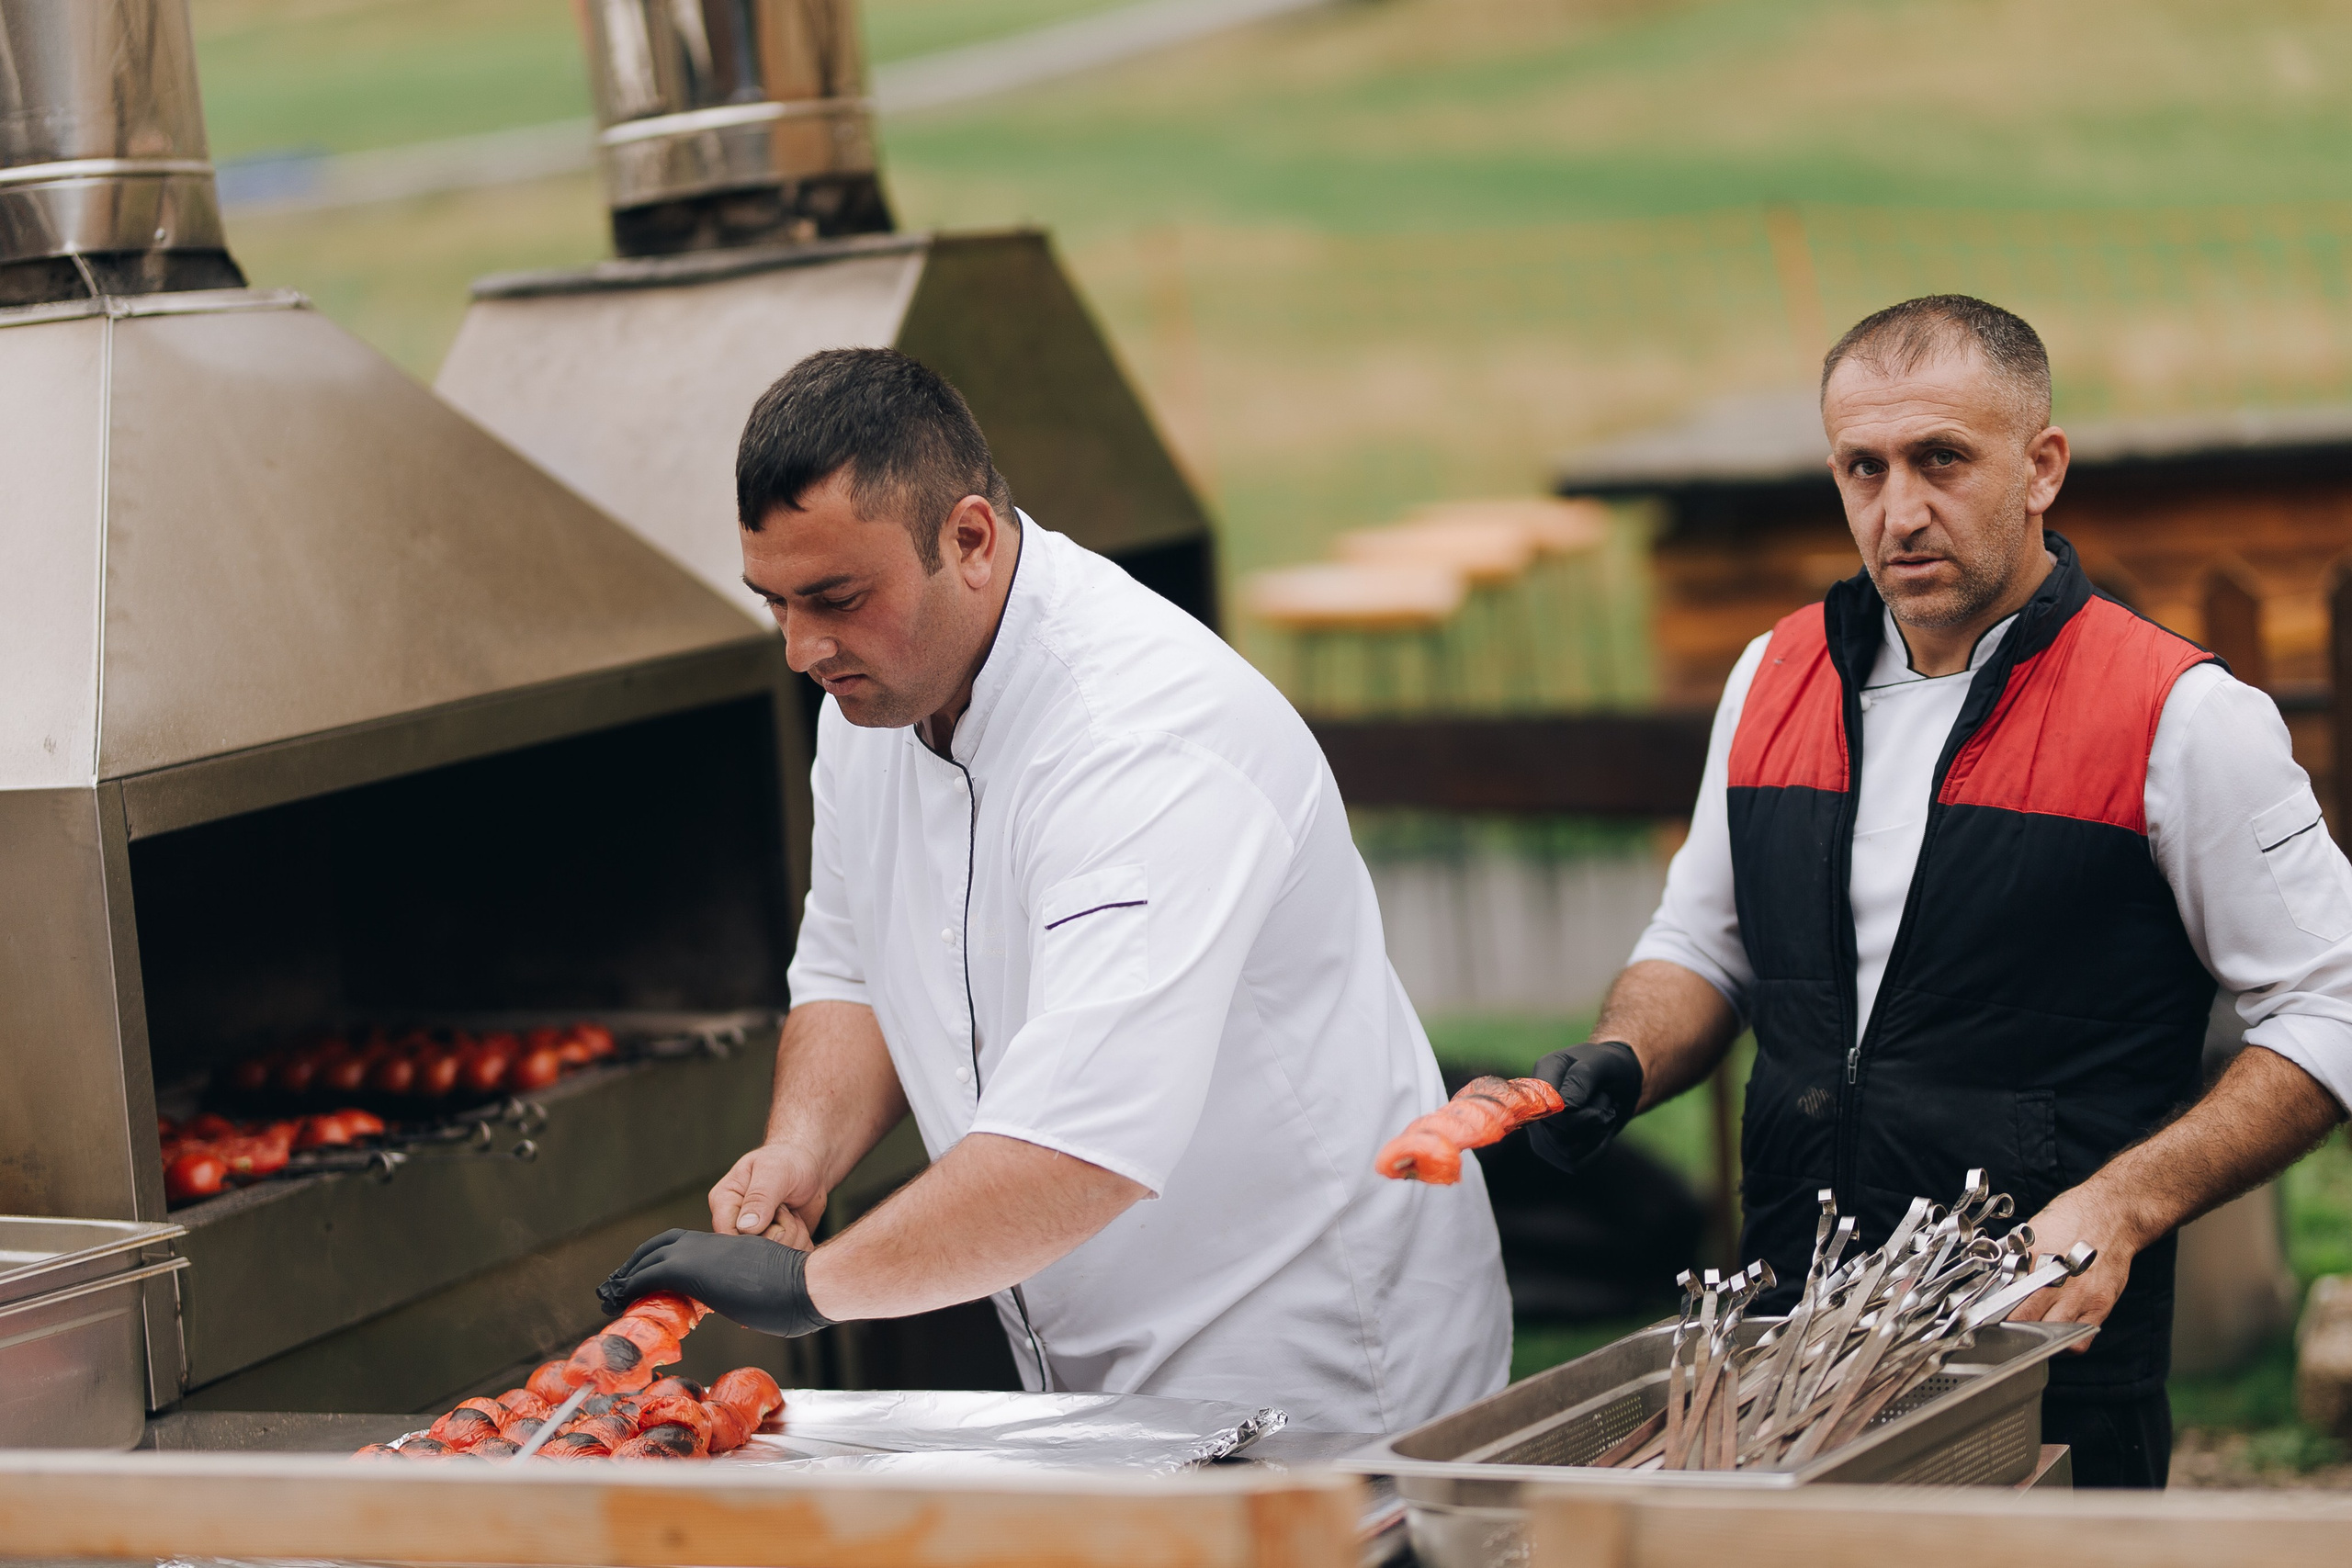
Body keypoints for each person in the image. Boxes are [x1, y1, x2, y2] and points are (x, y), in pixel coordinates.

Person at [597, 347, 1510, 1433]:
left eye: (835, 598)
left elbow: (1080, 1150)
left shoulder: (1144, 745)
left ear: (968, 539)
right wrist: (804, 1150)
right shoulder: (876, 697)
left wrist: (807, 1291)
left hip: (1311, 1365)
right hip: (1087, 1359)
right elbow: (855, 962)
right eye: (776, 604)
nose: (801, 649)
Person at [1525, 296, 2352, 1486]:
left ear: (2041, 466)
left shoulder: (2180, 713)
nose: (1899, 510)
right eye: (1864, 467)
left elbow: (2329, 1006)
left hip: (2039, 1347)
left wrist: (2123, 1203)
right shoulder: (1774, 674)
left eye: (1942, 460)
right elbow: (1701, 945)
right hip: (1785, 1334)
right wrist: (1616, 1060)